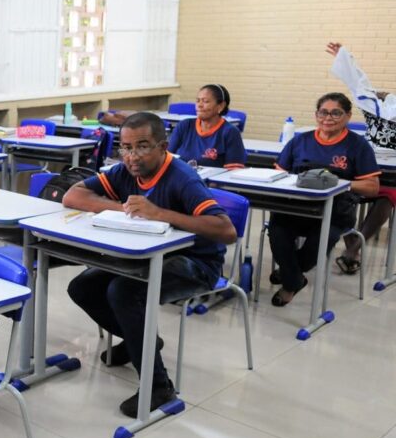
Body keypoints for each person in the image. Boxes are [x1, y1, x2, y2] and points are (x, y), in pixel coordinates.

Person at [63, 112, 235, 417]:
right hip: (146, 257)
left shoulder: (182, 177)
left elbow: (226, 230)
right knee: (82, 287)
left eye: (142, 146)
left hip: (196, 264)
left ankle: (159, 386)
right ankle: (139, 341)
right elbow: (73, 195)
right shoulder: (126, 170)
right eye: (126, 147)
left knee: (124, 292)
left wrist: (159, 213)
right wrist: (123, 208)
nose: (132, 156)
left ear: (162, 146)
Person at [268, 92, 380, 306]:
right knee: (277, 228)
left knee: (320, 239)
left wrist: (339, 183)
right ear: (316, 115)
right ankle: (295, 278)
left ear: (348, 116)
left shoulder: (357, 146)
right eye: (323, 112)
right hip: (296, 207)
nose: (328, 118)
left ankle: (290, 280)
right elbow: (279, 175)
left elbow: (372, 187)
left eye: (336, 113)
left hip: (336, 211)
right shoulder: (300, 141)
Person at [326, 42, 395, 275]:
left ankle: (353, 248)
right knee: (344, 191)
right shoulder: (370, 106)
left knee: (388, 195)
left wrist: (345, 57)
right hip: (367, 165)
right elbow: (358, 82)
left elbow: (359, 83)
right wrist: (345, 57)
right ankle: (352, 249)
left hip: (390, 174)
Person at [167, 84, 246, 169]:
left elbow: (234, 169)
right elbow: (167, 158)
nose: (199, 105)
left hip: (211, 182)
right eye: (198, 101)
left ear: (221, 106)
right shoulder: (184, 126)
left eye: (205, 101)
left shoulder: (230, 132)